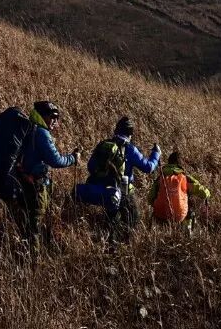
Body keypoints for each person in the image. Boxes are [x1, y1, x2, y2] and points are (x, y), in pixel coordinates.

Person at [13, 101, 81, 252]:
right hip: (35, 185)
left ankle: (24, 252)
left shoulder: (29, 127)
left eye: (57, 117)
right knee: (34, 224)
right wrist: (73, 158)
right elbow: (55, 160)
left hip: (23, 181)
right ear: (43, 116)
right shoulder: (41, 133)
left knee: (28, 221)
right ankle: (32, 259)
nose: (56, 121)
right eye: (53, 117)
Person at [87, 116, 160, 242]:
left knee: (111, 218)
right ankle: (122, 244)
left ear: (116, 129)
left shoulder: (104, 145)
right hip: (124, 191)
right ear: (130, 133)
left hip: (103, 189)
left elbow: (90, 166)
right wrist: (156, 154)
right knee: (133, 219)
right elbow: (148, 167)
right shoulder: (130, 149)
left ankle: (106, 242)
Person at [149, 151, 211, 231]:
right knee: (190, 202)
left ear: (169, 162)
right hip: (180, 216)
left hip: (161, 214)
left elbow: (149, 198)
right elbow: (204, 193)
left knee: (156, 208)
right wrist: (208, 193)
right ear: (180, 164)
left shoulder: (160, 178)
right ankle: (186, 230)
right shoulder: (185, 178)